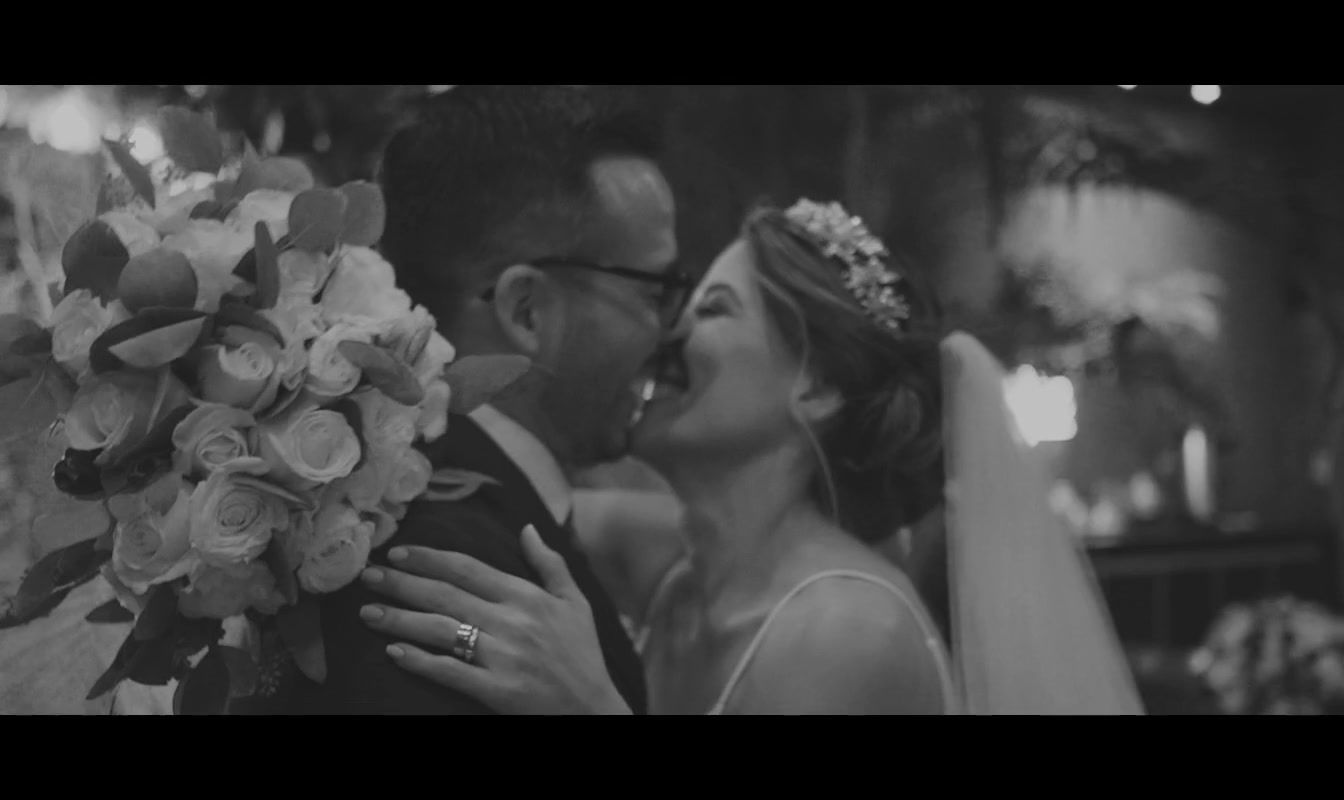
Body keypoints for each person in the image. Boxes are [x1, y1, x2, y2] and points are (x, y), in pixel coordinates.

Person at [357, 198, 1147, 715]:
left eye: (714, 310)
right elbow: (502, 483)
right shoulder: (681, 566)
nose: (664, 336)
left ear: (817, 389)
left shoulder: (845, 632)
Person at [296, 84, 691, 714]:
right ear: (527, 310)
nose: (672, 329)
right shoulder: (450, 570)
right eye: (654, 291)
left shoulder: (415, 497)